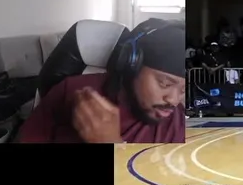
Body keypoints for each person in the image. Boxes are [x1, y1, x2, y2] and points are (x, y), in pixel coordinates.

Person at [17, 19, 187, 144]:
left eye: (183, 90)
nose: (173, 100)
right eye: (165, 83)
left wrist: (112, 144)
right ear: (132, 66)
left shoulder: (177, 124)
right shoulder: (73, 91)